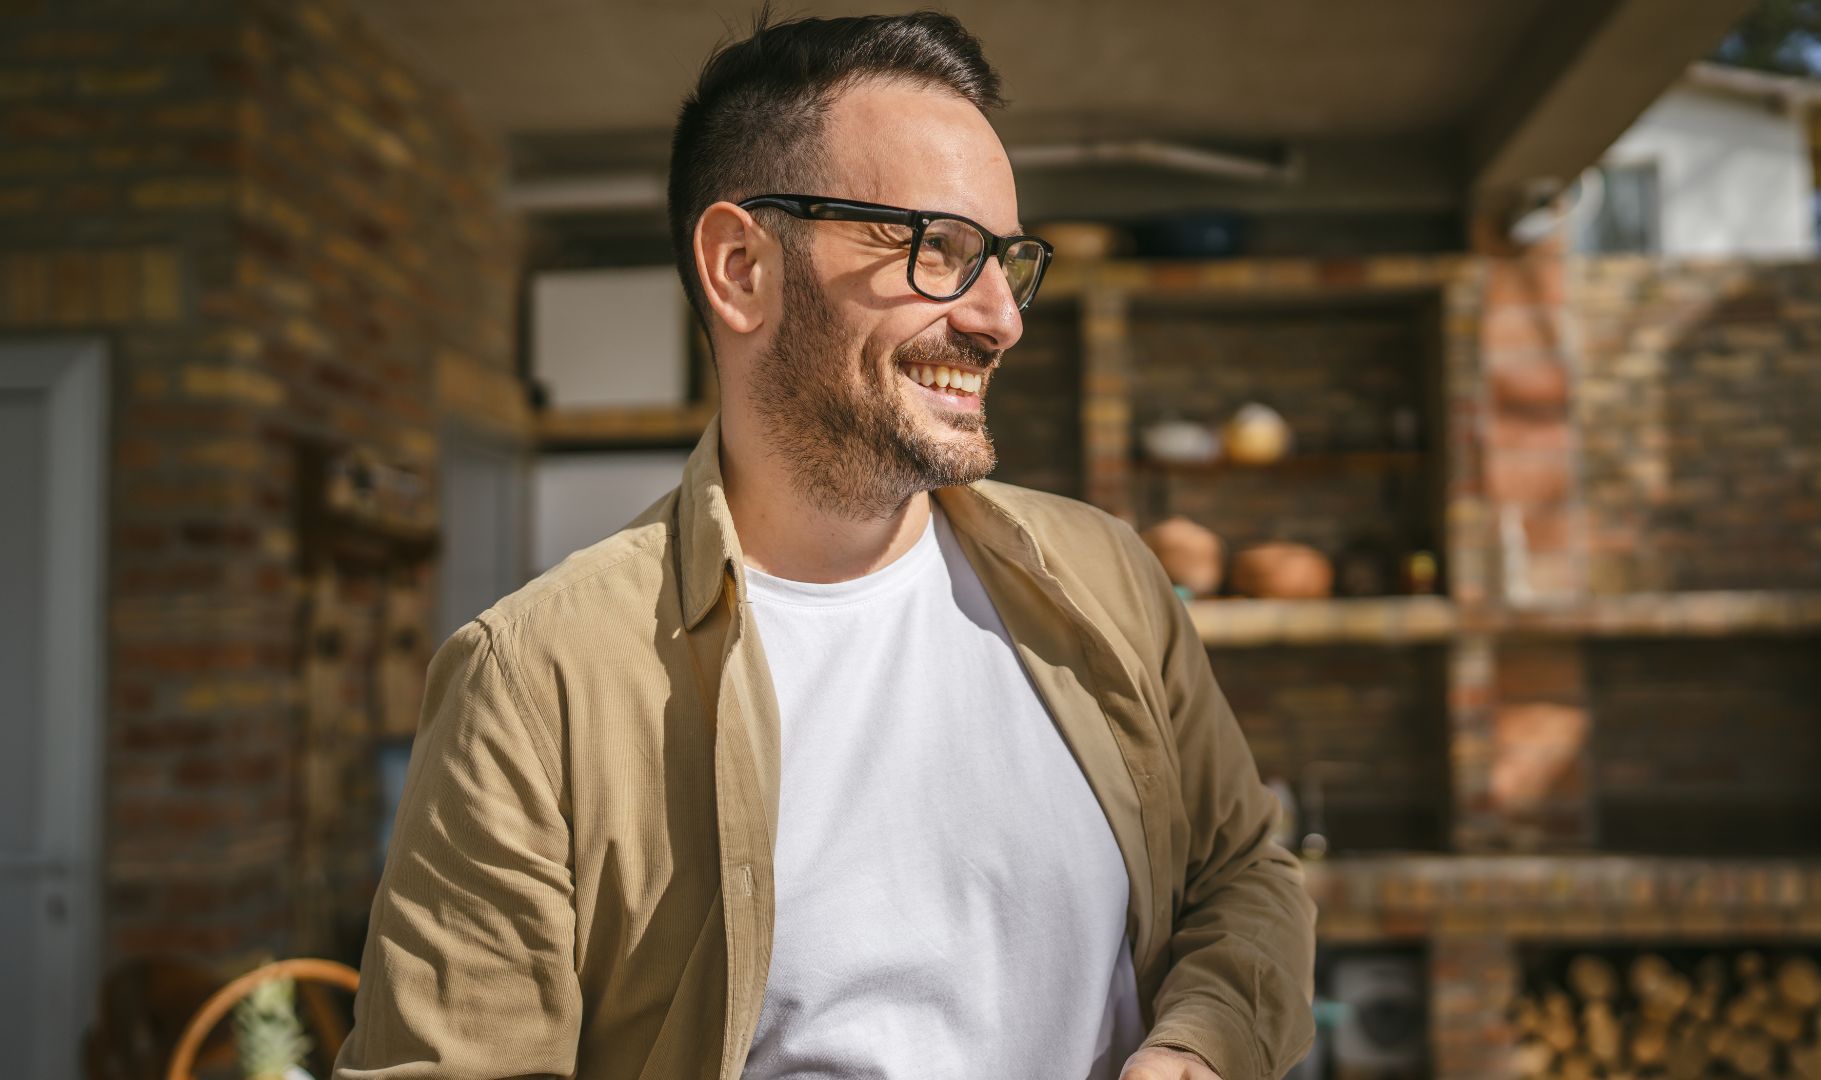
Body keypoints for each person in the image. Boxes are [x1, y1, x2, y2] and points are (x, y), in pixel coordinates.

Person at [335, 10, 1314, 1080]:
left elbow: (1241, 875)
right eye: (937, 247)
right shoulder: (535, 685)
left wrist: (1199, 1049)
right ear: (742, 266)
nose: (1001, 318)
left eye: (1006, 259)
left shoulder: (1106, 578)